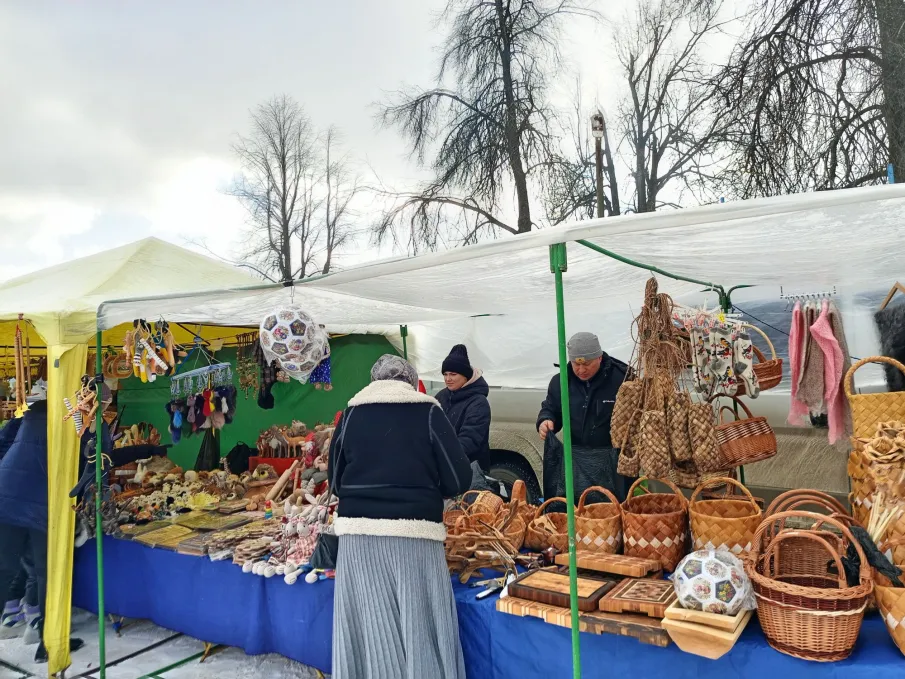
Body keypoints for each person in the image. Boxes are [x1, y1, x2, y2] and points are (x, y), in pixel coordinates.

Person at [329, 355, 471, 679]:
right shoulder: (428, 410)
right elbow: (458, 479)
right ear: (410, 381)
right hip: (415, 535)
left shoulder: (350, 413)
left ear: (374, 381)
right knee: (418, 623)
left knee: (370, 626)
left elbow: (336, 482)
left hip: (357, 537)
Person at [536, 332, 634, 500]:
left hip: (613, 462)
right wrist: (546, 420)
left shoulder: (623, 379)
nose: (581, 370)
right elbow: (550, 408)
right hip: (577, 461)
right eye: (575, 364)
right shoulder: (560, 382)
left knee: (613, 513)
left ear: (599, 358)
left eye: (587, 364)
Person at [436, 344, 494, 491]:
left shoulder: (478, 403)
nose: (448, 379)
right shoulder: (441, 396)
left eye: (453, 374)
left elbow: (470, 439)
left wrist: (443, 457)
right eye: (445, 374)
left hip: (470, 473)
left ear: (465, 376)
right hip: (443, 471)